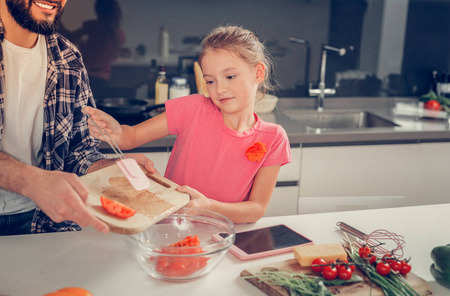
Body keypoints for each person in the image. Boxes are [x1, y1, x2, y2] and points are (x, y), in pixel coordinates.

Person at [85, 25, 292, 223]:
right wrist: (116, 131)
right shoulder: (192, 109)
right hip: (171, 225)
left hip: (224, 236)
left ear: (258, 73)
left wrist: (208, 206)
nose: (219, 89)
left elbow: (256, 209)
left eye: (230, 76)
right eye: (210, 81)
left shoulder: (273, 137)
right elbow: (132, 137)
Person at [0, 0, 155, 235]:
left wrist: (109, 170)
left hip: (43, 220)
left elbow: (78, 151)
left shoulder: (68, 58)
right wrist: (32, 181)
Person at [62, 0, 131, 100]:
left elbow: (70, 38)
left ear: (98, 12)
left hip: (85, 76)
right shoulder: (120, 35)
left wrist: (60, 24)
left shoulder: (93, 26)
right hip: (103, 80)